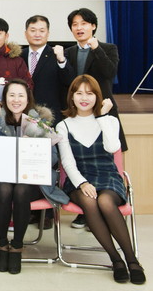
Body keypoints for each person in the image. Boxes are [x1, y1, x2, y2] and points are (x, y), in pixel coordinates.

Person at [57, 75, 145, 284]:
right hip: (79, 178)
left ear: (98, 96)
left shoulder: (110, 121)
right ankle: (116, 260)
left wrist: (103, 116)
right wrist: (82, 183)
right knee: (89, 201)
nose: (84, 98)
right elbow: (67, 162)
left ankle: (132, 260)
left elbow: (112, 147)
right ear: (72, 96)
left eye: (90, 93)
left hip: (107, 175)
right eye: (79, 93)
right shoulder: (63, 125)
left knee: (105, 201)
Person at [0, 79, 69, 274]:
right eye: (11, 95)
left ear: (28, 98)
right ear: (5, 98)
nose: (16, 100)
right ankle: (2, 244)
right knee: (4, 189)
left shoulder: (39, 120)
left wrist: (34, 145)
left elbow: (54, 158)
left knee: (21, 191)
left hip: (32, 180)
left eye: (20, 95)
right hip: (3, 177)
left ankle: (17, 246)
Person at [64, 8, 127, 231]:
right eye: (74, 24)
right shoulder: (69, 52)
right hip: (79, 115)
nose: (79, 28)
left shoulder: (108, 48)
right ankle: (86, 212)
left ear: (93, 26)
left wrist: (96, 48)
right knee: (82, 161)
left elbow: (109, 73)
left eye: (83, 23)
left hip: (103, 112)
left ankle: (107, 209)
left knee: (106, 161)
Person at [22, 15, 74, 126]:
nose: (37, 34)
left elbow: (69, 81)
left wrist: (61, 60)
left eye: (42, 31)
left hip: (50, 116)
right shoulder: (19, 56)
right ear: (25, 34)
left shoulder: (57, 55)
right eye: (33, 30)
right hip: (23, 115)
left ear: (48, 34)